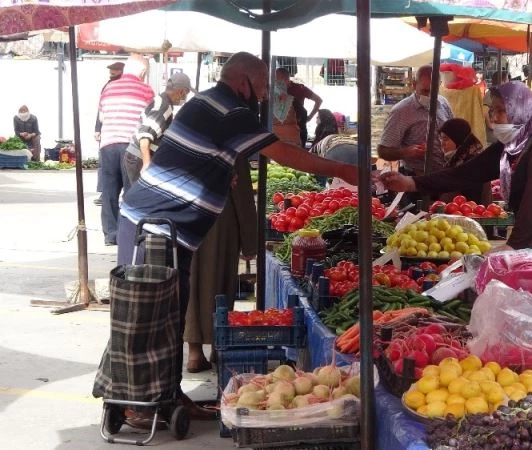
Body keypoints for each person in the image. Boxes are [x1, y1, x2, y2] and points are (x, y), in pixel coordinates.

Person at [116, 52, 357, 423]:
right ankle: (137, 405)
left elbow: (197, 155)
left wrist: (218, 172)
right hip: (156, 225)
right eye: (260, 87)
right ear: (242, 81)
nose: (263, 97)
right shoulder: (231, 110)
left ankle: (168, 396)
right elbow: (285, 154)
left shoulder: (204, 102)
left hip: (161, 223)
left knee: (170, 315)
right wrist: (344, 169)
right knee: (150, 316)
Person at [380, 81, 532, 252]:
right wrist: (411, 183)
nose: (494, 118)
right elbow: (468, 172)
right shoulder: (513, 144)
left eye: (500, 110)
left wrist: (511, 247)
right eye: (493, 111)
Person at [184, 158, 257, 373]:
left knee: (191, 280)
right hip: (219, 215)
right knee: (221, 279)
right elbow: (241, 193)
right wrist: (250, 240)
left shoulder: (185, 131)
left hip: (186, 213)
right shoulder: (231, 137)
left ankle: (194, 352)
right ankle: (219, 345)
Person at [97, 55, 154, 246]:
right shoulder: (146, 90)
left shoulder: (108, 88)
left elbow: (102, 116)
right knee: (131, 191)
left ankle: (111, 234)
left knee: (109, 191)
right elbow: (150, 122)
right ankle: (129, 232)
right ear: (143, 72)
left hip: (108, 144)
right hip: (132, 146)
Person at [378, 65, 454, 176]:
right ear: (414, 85)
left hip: (445, 174)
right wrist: (406, 152)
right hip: (417, 177)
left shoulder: (443, 103)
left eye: (434, 91)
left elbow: (453, 133)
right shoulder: (401, 111)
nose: (430, 96)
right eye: (425, 91)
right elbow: (383, 151)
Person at [122, 72, 194, 189]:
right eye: (186, 93)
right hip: (139, 158)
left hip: (136, 156)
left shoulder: (161, 101)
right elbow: (145, 136)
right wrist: (146, 163)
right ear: (181, 92)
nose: (185, 98)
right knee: (142, 200)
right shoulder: (164, 107)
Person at [437, 118, 490, 204]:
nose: (442, 144)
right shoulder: (456, 160)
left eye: (445, 139)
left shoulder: (472, 164)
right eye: (441, 139)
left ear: (458, 138)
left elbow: (472, 202)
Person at [93, 61, 124, 206]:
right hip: (108, 131)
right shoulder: (107, 86)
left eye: (115, 70)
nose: (112, 72)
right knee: (105, 166)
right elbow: (100, 109)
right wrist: (97, 128)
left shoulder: (124, 86)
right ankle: (104, 193)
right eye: (111, 70)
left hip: (123, 132)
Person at [274, 67, 323, 147]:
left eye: (278, 81)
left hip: (298, 129)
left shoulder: (299, 88)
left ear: (287, 80)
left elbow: (318, 100)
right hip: (279, 130)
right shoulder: (273, 90)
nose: (276, 84)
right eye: (275, 81)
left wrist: (310, 117)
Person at [483, 70, 510, 144]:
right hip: (492, 137)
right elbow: (484, 111)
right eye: (507, 79)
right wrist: (490, 125)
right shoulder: (491, 93)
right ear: (502, 80)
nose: (508, 81)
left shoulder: (499, 93)